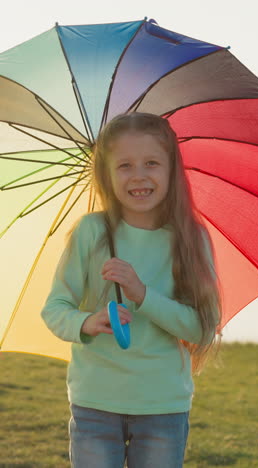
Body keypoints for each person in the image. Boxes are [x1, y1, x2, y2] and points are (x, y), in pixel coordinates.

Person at [41, 112, 221, 468]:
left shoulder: (190, 238)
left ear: (172, 169)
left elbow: (202, 327)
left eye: (151, 163)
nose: (139, 175)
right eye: (124, 165)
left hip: (162, 407)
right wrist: (85, 322)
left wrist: (143, 295)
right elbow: (55, 307)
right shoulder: (91, 232)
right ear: (106, 174)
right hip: (95, 402)